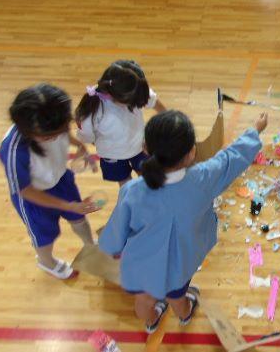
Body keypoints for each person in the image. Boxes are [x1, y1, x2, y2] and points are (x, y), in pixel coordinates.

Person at [99, 110, 268, 333]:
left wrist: (115, 249)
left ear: (145, 149)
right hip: (180, 263)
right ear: (191, 153)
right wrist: (255, 130)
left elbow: (115, 233)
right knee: (176, 296)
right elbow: (231, 158)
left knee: (144, 300)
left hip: (142, 266)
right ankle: (185, 315)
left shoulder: (132, 191)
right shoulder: (204, 178)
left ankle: (151, 322)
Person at [0, 84, 100, 280]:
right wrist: (67, 205)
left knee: (78, 216)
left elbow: (64, 132)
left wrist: (81, 147)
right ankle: (46, 261)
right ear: (27, 130)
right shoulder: (13, 151)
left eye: (59, 131)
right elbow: (24, 190)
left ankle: (90, 244)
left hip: (61, 179)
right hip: (33, 197)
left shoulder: (54, 119)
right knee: (45, 234)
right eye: (48, 136)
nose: (55, 137)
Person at [75, 60, 166, 187]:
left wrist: (166, 118)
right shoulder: (94, 106)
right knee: (125, 184)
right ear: (117, 96)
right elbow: (86, 135)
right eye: (133, 101)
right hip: (113, 155)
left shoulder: (134, 87)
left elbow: (154, 102)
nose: (138, 101)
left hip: (140, 147)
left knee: (147, 178)